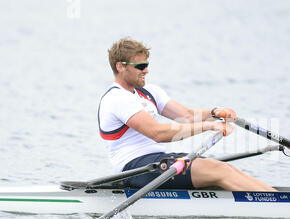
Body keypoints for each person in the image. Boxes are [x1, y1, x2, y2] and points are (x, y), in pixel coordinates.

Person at [98, 37, 276, 191]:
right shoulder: (117, 98)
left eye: (147, 65)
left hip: (156, 162)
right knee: (219, 171)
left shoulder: (148, 92)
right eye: (141, 66)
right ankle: (280, 205)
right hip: (135, 169)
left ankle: (278, 198)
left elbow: (188, 116)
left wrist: (215, 113)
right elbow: (157, 133)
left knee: (224, 168)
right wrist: (208, 126)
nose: (146, 70)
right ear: (120, 66)